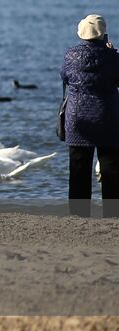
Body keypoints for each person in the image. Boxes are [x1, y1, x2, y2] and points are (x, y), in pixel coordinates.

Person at [61, 14, 119, 214]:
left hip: (77, 119)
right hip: (107, 118)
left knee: (78, 169)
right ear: (103, 34)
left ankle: (79, 214)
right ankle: (112, 214)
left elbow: (65, 77)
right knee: (111, 170)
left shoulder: (70, 55)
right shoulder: (113, 57)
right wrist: (113, 51)